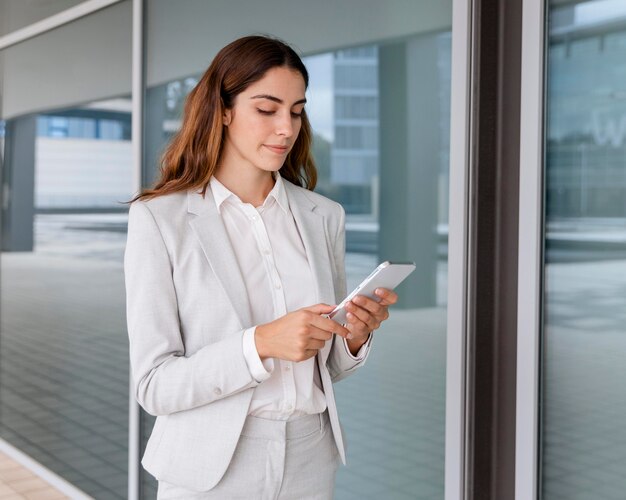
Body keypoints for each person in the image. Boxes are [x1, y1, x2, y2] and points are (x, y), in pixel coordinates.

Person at [124, 35, 398, 499]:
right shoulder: (160, 219)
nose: (285, 128)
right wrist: (261, 343)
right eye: (266, 109)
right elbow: (155, 386)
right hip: (211, 464)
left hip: (311, 456)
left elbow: (325, 367)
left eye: (295, 110)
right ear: (224, 109)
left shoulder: (323, 216)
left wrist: (352, 337)